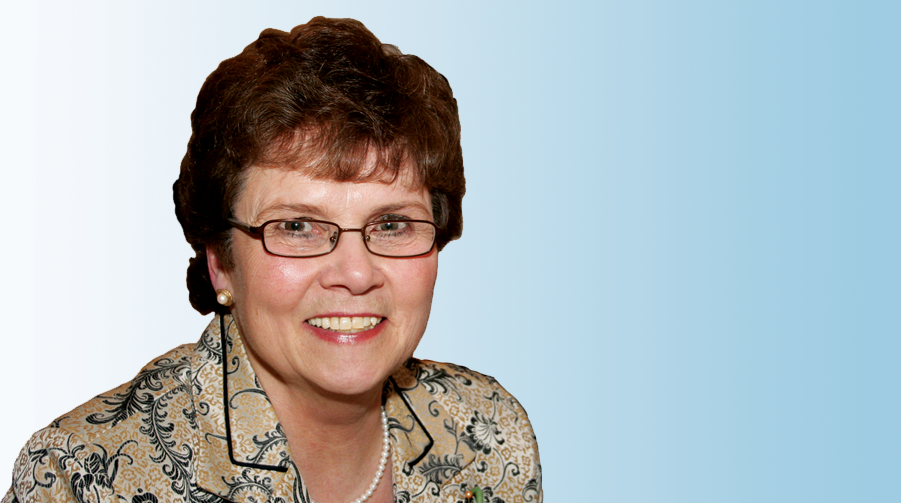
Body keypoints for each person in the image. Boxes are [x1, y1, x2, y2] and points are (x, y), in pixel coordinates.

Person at [4, 17, 541, 503]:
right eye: (297, 226)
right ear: (219, 260)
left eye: (391, 224)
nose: (355, 274)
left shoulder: (491, 437)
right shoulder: (84, 477)